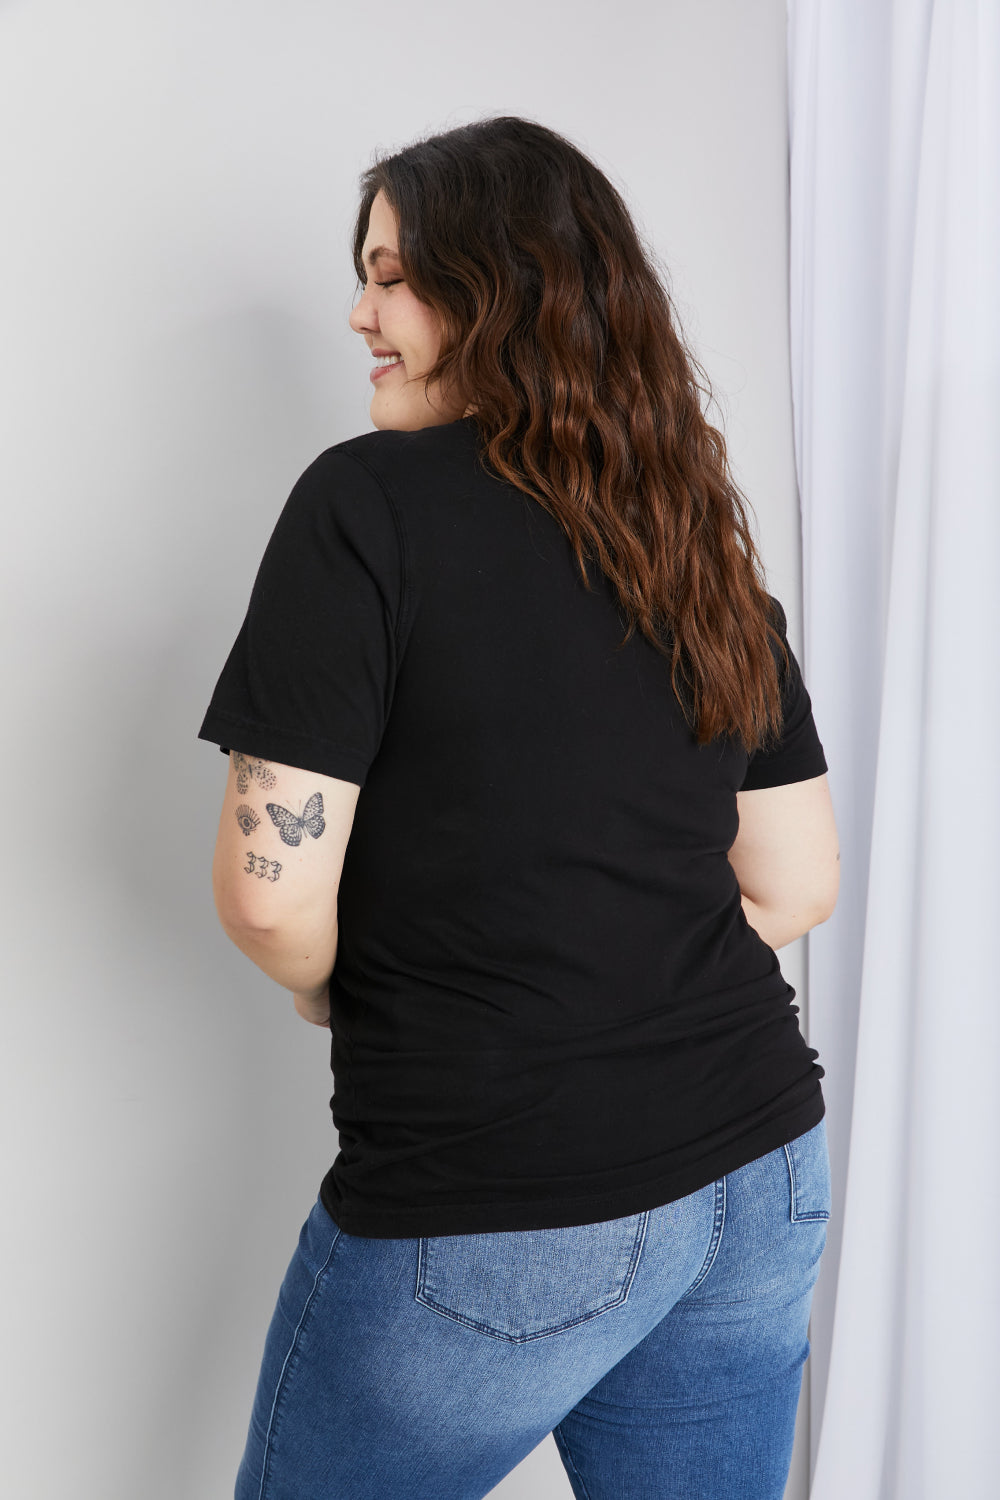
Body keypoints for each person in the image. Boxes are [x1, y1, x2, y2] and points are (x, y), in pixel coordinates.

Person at [198, 115, 840, 1500]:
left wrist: (330, 985)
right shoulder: (684, 524)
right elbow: (796, 885)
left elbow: (267, 895)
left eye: (391, 278)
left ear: (500, 291)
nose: (359, 313)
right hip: (758, 1175)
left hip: (496, 1194)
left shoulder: (362, 506)